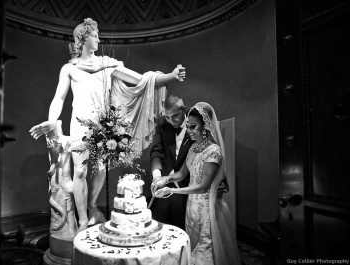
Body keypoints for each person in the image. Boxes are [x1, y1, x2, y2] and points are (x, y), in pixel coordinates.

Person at [29, 18, 186, 232]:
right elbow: (58, 98)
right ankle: (83, 220)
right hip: (79, 125)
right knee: (81, 172)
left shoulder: (107, 64)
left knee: (101, 170)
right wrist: (50, 120)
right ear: (83, 39)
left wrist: (170, 75)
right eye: (94, 35)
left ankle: (92, 205)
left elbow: (140, 79)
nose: (98, 39)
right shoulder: (69, 69)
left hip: (103, 125)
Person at [153, 102, 241, 265]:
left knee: (204, 254)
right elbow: (181, 174)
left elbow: (202, 187)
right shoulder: (193, 147)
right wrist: (165, 179)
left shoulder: (213, 151)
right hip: (191, 207)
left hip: (207, 209)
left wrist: (170, 191)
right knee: (191, 249)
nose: (189, 131)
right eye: (188, 126)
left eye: (193, 127)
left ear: (206, 126)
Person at [150, 95, 228, 230]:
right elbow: (158, 153)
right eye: (167, 117)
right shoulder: (165, 126)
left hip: (193, 190)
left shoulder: (198, 124)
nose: (170, 121)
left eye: (174, 116)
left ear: (183, 110)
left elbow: (213, 158)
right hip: (174, 189)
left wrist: (220, 183)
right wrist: (162, 179)